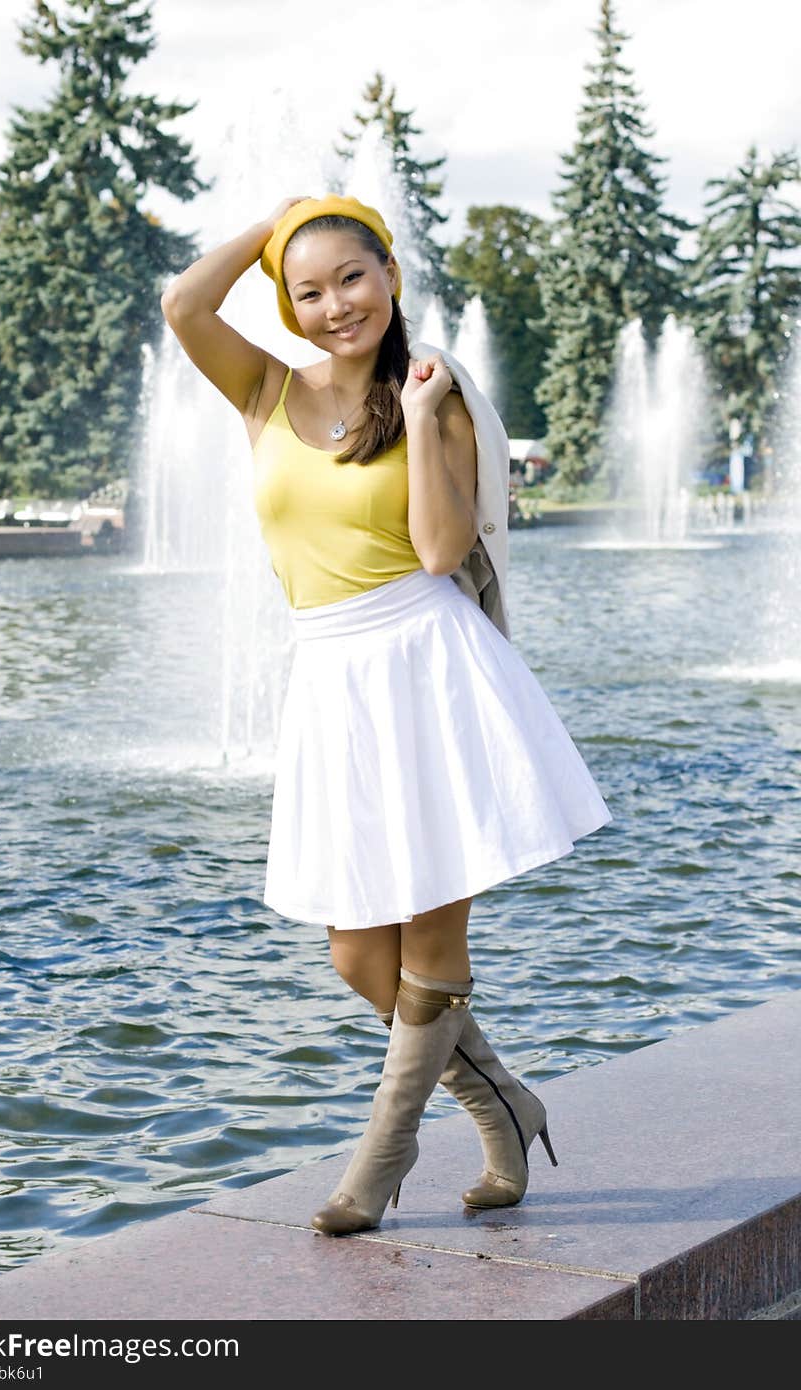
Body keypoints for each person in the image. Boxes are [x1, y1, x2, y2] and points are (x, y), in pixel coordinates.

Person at [160, 193, 613, 1237]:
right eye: (306, 289)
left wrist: (413, 422)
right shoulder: (265, 388)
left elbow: (441, 552)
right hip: (329, 678)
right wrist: (278, 220)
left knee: (429, 941)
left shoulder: (432, 393)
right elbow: (185, 303)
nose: (333, 306)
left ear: (391, 277)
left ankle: (377, 1160)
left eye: (351, 279)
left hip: (426, 662)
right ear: (284, 301)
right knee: (356, 955)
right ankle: (503, 1100)